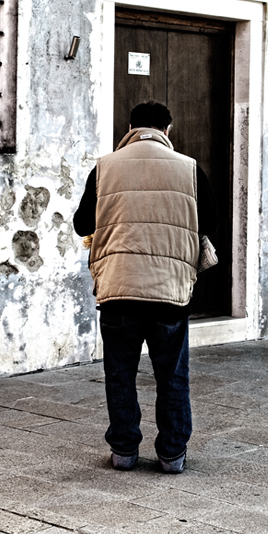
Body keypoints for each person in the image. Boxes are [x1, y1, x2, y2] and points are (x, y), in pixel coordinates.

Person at [73, 101, 217, 473]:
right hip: (170, 292)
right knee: (173, 375)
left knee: (120, 374)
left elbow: (81, 223)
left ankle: (123, 452)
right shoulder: (190, 169)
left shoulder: (104, 167)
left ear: (131, 127)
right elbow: (211, 221)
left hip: (119, 288)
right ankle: (171, 455)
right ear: (168, 130)